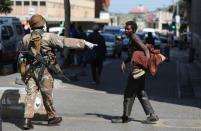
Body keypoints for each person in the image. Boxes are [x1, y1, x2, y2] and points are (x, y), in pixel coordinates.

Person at [18, 14, 97, 130]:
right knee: (47, 95)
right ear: (41, 24)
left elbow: (22, 55)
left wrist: (22, 72)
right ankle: (52, 117)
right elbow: (65, 41)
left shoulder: (26, 38)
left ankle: (27, 120)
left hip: (30, 71)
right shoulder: (48, 37)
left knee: (30, 95)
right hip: (44, 72)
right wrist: (84, 42)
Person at [112, 21, 159, 123]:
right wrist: (125, 61)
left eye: (128, 29)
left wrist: (147, 65)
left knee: (128, 92)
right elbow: (132, 54)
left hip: (138, 71)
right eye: (125, 28)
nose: (126, 30)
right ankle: (152, 115)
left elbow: (146, 50)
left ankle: (125, 117)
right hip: (139, 70)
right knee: (140, 92)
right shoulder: (131, 39)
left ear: (133, 30)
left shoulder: (134, 37)